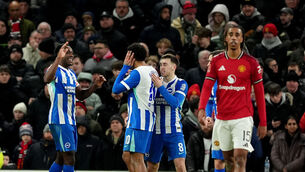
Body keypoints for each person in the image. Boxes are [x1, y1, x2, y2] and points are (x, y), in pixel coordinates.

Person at [198, 24, 267, 172]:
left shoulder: (251, 63)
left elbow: (260, 94)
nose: (234, 38)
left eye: (237, 35)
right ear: (225, 39)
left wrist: (263, 121)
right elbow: (206, 87)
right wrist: (201, 109)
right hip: (222, 119)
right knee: (227, 161)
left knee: (240, 158)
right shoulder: (216, 61)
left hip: (243, 118)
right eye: (231, 35)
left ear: (242, 39)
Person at [43, 42, 106, 172]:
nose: (71, 55)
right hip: (59, 119)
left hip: (70, 120)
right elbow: (47, 79)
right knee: (70, 156)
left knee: (61, 157)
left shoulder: (71, 74)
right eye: (67, 53)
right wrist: (58, 58)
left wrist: (95, 86)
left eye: (72, 53)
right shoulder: (54, 69)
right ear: (60, 54)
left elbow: (81, 95)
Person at [112, 43, 158, 172]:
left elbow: (116, 89)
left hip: (139, 121)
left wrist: (124, 67)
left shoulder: (137, 73)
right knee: (126, 156)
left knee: (137, 158)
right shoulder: (151, 70)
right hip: (143, 119)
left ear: (131, 56)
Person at [146, 54, 188, 172]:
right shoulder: (152, 82)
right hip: (155, 132)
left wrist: (160, 87)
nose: (161, 68)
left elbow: (175, 103)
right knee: (152, 167)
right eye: (160, 65)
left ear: (173, 67)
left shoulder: (181, 83)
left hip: (174, 131)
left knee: (180, 166)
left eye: (165, 64)